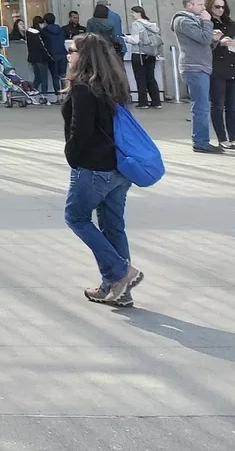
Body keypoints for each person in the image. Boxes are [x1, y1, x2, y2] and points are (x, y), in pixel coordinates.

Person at [62, 32, 141, 308]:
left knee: (76, 216)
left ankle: (121, 273)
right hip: (119, 169)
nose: (68, 55)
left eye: (71, 51)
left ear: (82, 57)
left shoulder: (83, 88)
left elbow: (79, 131)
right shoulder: (113, 85)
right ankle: (118, 290)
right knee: (113, 226)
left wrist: (71, 156)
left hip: (94, 168)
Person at [172, 0, 219, 153]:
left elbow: (204, 43)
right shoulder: (183, 21)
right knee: (201, 106)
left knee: (202, 105)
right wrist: (208, 23)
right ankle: (200, 141)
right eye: (199, 4)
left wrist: (215, 39)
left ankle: (201, 140)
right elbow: (204, 39)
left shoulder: (194, 20)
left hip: (200, 66)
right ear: (189, 5)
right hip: (194, 67)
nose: (203, 8)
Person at [207, 0, 235, 150]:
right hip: (216, 68)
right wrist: (219, 42)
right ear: (210, 7)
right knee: (217, 105)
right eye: (216, 7)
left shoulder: (231, 24)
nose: (220, 10)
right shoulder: (207, 23)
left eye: (222, 7)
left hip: (234, 66)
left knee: (232, 106)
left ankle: (234, 138)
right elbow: (204, 46)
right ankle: (222, 138)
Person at [122, 5, 164, 109]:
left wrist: (126, 39)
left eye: (133, 13)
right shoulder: (150, 24)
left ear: (138, 13)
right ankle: (156, 102)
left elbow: (135, 40)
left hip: (139, 54)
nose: (131, 15)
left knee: (140, 78)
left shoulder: (136, 25)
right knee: (151, 77)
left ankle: (143, 102)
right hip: (151, 54)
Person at [25, 15, 56, 98]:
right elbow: (43, 47)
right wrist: (50, 57)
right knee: (44, 79)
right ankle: (44, 96)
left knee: (37, 78)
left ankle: (31, 93)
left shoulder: (29, 33)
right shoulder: (38, 35)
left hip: (32, 58)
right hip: (41, 59)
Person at [41, 12, 69, 97]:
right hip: (63, 54)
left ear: (45, 21)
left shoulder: (44, 31)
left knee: (55, 77)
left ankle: (58, 97)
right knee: (63, 75)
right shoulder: (60, 29)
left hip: (52, 56)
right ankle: (65, 95)